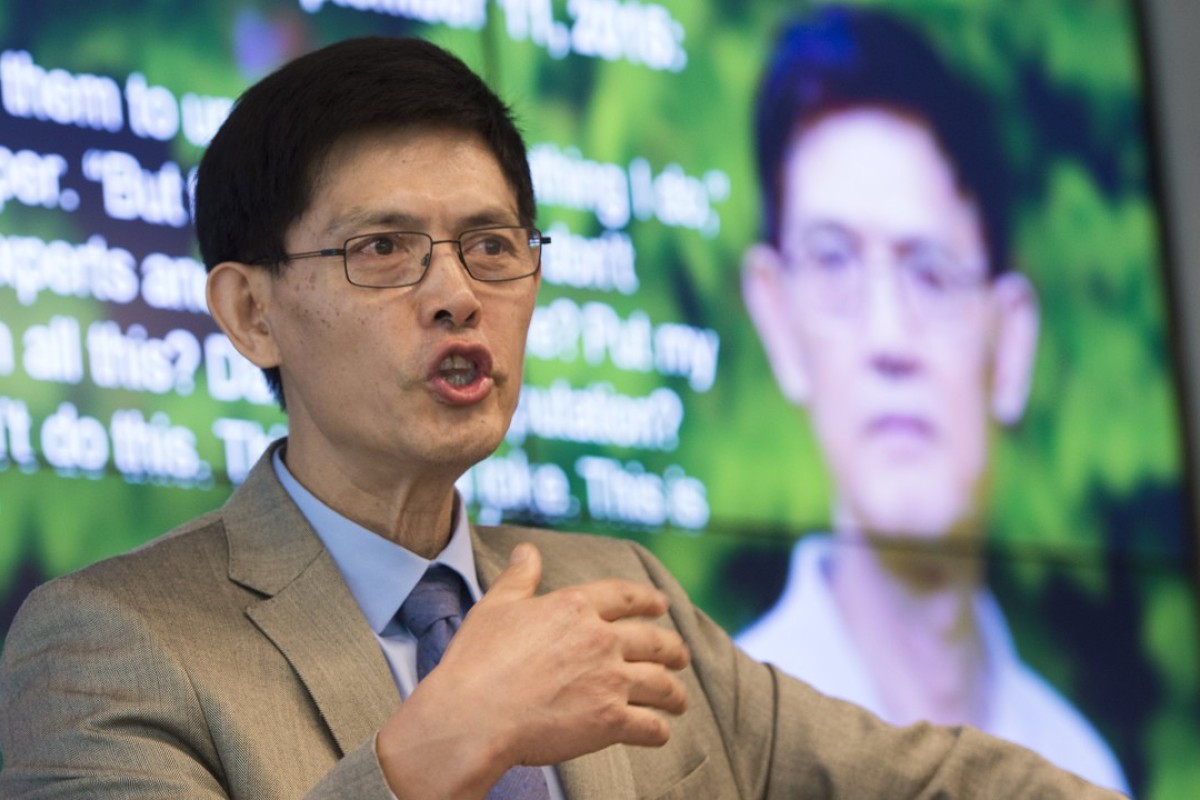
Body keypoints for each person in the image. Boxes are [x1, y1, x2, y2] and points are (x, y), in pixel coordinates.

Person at [0, 35, 1124, 800]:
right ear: (251, 312)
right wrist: (429, 752)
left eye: (493, 246)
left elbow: (929, 782)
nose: (457, 292)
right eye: (382, 248)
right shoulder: (108, 644)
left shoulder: (616, 591)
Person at [737, 6, 1128, 794]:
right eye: (834, 261)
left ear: (1011, 342)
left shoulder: (1083, 773)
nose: (889, 337)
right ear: (779, 321)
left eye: (931, 272)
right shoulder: (715, 748)